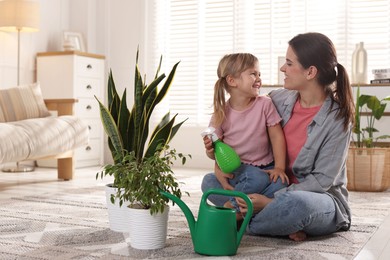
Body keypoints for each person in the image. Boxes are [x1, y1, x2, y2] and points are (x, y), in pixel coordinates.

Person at [201, 32, 354, 241]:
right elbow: (236, 122)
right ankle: (270, 221)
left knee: (296, 206)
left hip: (313, 197)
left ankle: (241, 219)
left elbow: (322, 181)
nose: (283, 68)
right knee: (210, 182)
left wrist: (269, 202)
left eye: (289, 63)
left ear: (310, 72)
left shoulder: (338, 119)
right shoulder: (277, 99)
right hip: (265, 183)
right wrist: (218, 163)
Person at [204, 53, 289, 212]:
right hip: (238, 170)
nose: (258, 78)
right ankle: (251, 209)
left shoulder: (265, 104)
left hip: (264, 168)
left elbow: (277, 137)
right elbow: (215, 153)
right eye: (253, 74)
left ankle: (234, 209)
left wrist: (279, 167)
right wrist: (210, 150)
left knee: (281, 183)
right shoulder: (221, 113)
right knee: (208, 182)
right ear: (232, 81)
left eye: (259, 74)